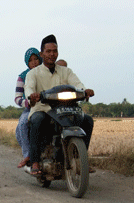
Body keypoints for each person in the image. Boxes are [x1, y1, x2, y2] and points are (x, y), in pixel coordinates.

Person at [24, 35, 95, 175]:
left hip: (64, 110)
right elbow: (29, 88)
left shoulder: (66, 71)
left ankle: (80, 159)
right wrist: (32, 96)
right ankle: (35, 161)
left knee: (87, 120)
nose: (52, 54)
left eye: (54, 51)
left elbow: (77, 84)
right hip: (43, 109)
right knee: (37, 120)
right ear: (42, 53)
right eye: (48, 51)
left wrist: (84, 91)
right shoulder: (33, 73)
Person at [14, 47, 41, 168]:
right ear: (27, 62)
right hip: (30, 108)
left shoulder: (46, 72)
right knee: (22, 124)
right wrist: (27, 103)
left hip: (47, 107)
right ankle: (27, 155)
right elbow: (17, 98)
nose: (34, 62)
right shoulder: (22, 77)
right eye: (31, 60)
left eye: (36, 59)